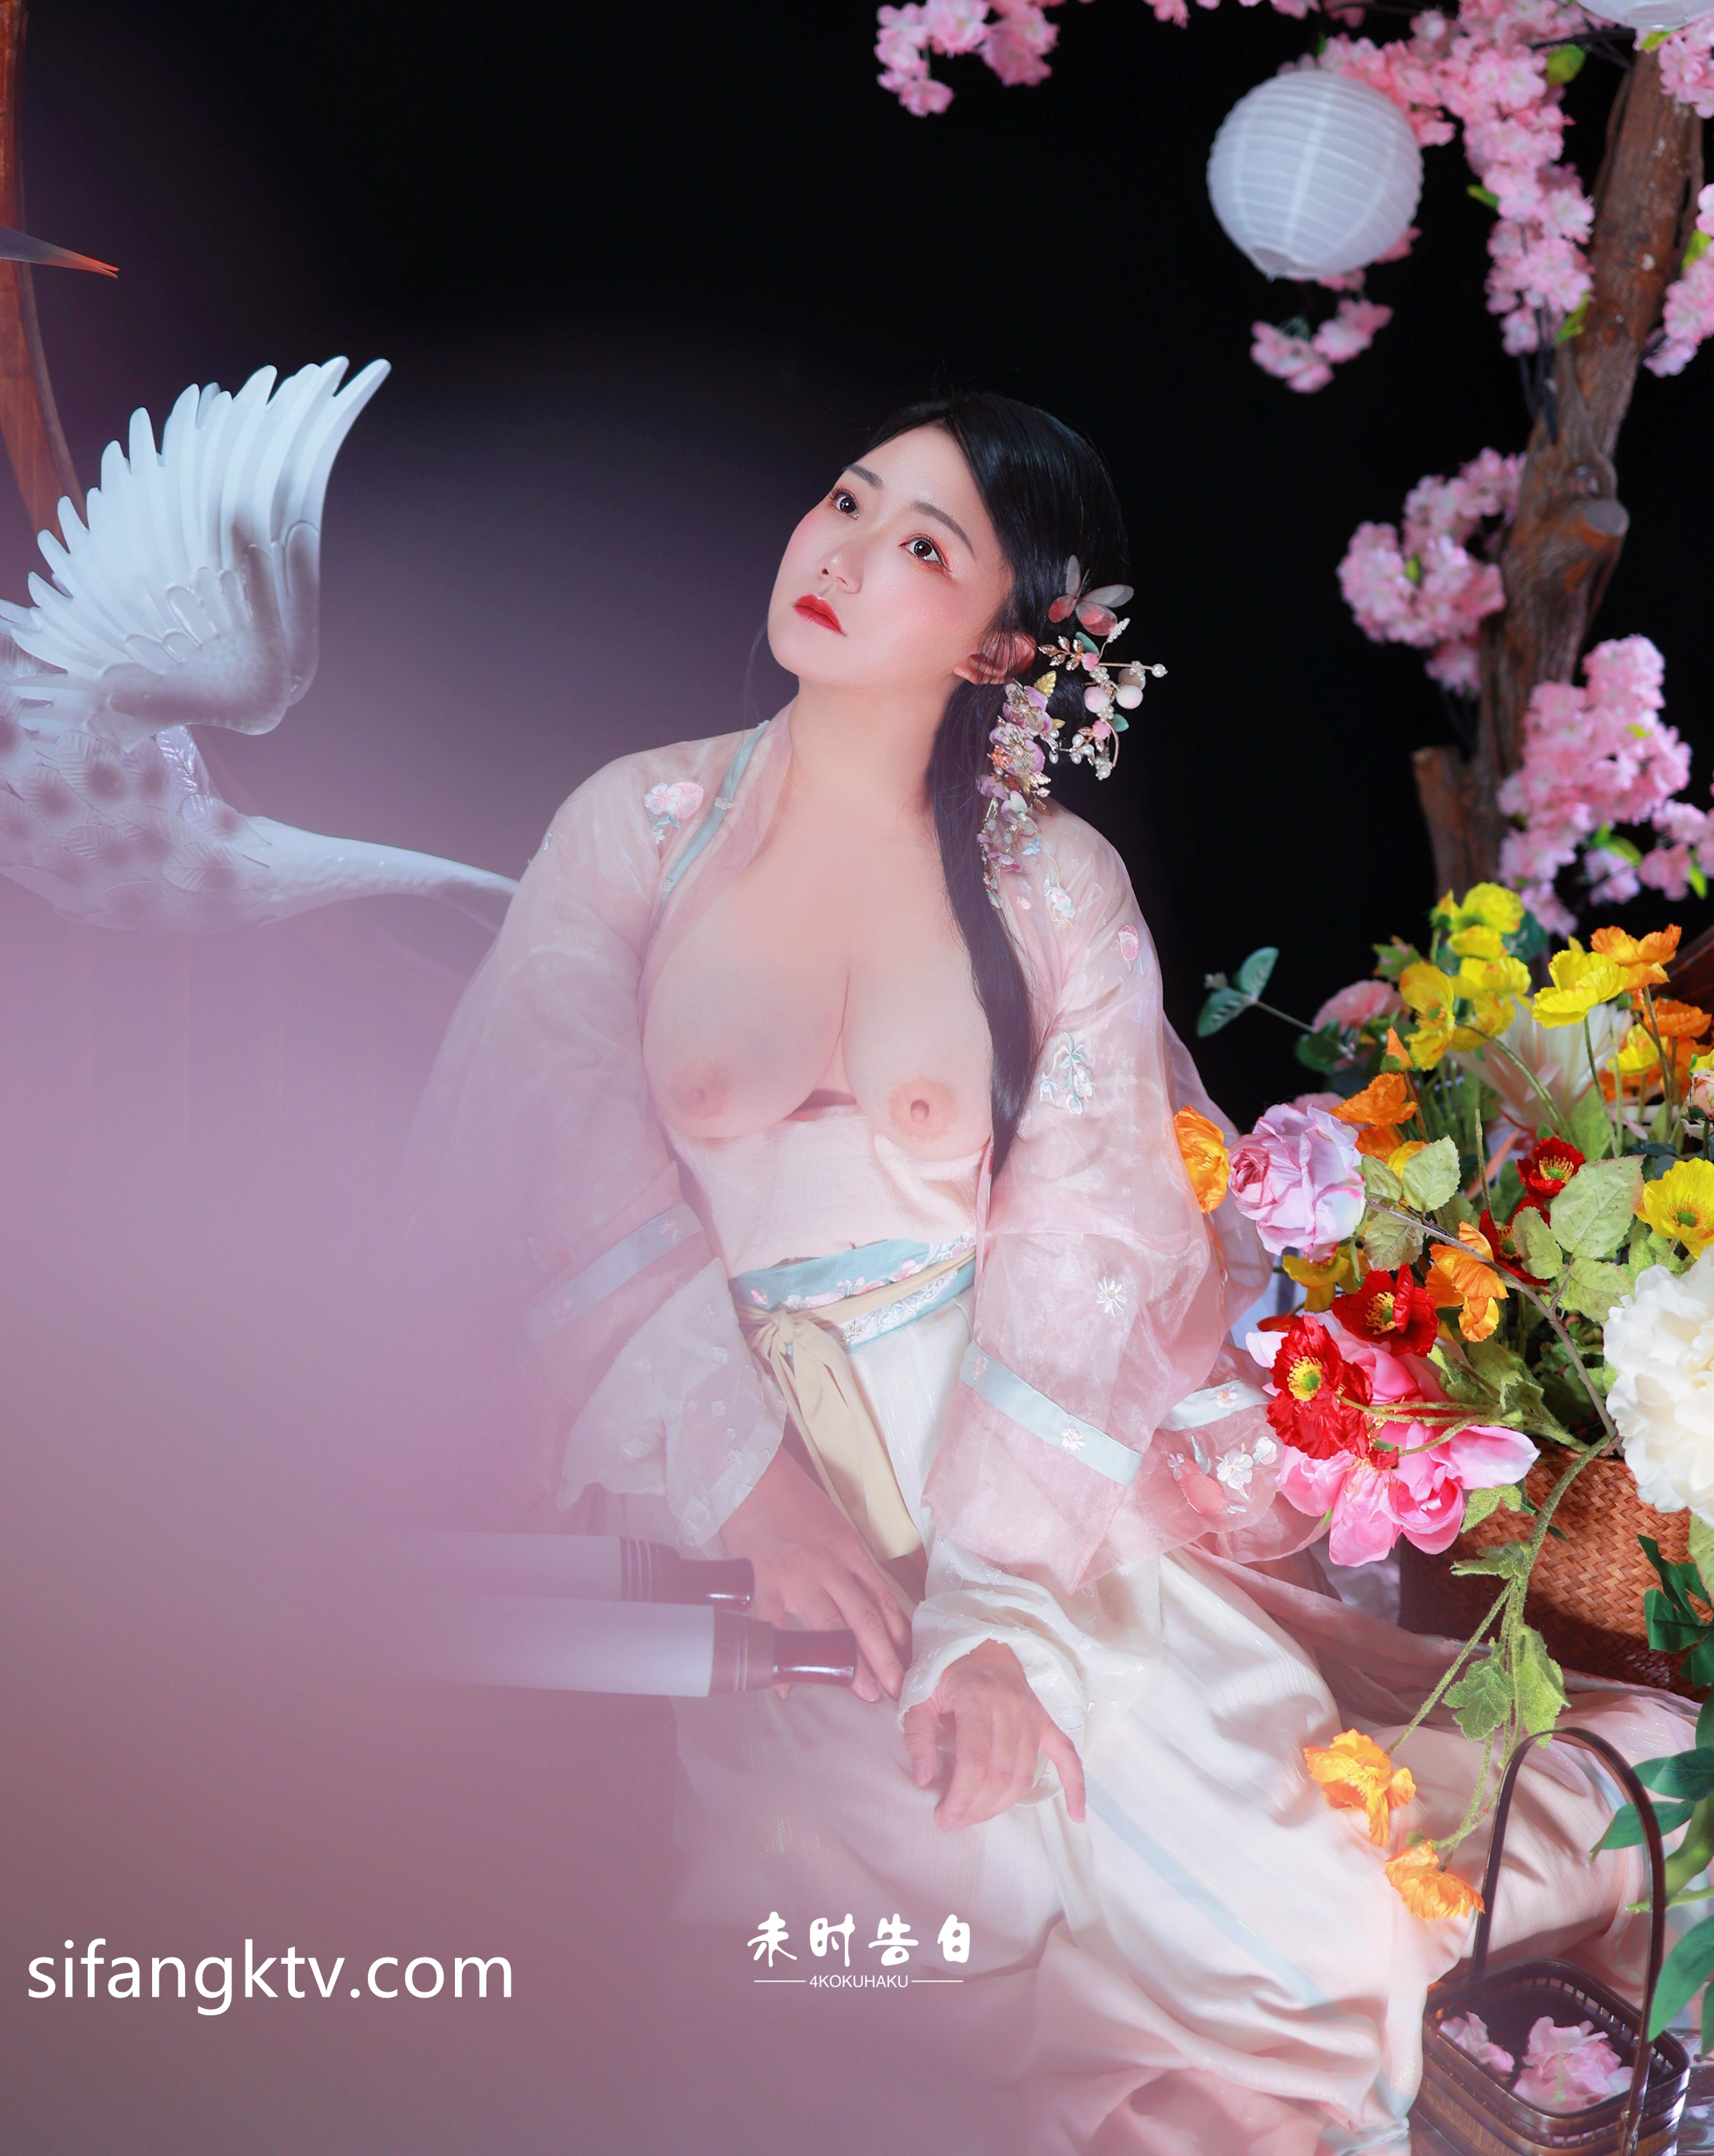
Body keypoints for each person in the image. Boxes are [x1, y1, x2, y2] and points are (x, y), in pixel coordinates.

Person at [406, 393, 1693, 2156]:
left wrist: (997, 1618)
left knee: (1305, 1941)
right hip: (751, 1498)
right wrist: (756, 1497)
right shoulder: (638, 825)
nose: (843, 552)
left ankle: (1615, 1814)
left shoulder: (1051, 885)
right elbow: (543, 1165)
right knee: (895, 1985)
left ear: (1005, 644)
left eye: (922, 545)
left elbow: (1091, 1244)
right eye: (848, 500)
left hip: (1034, 1505)